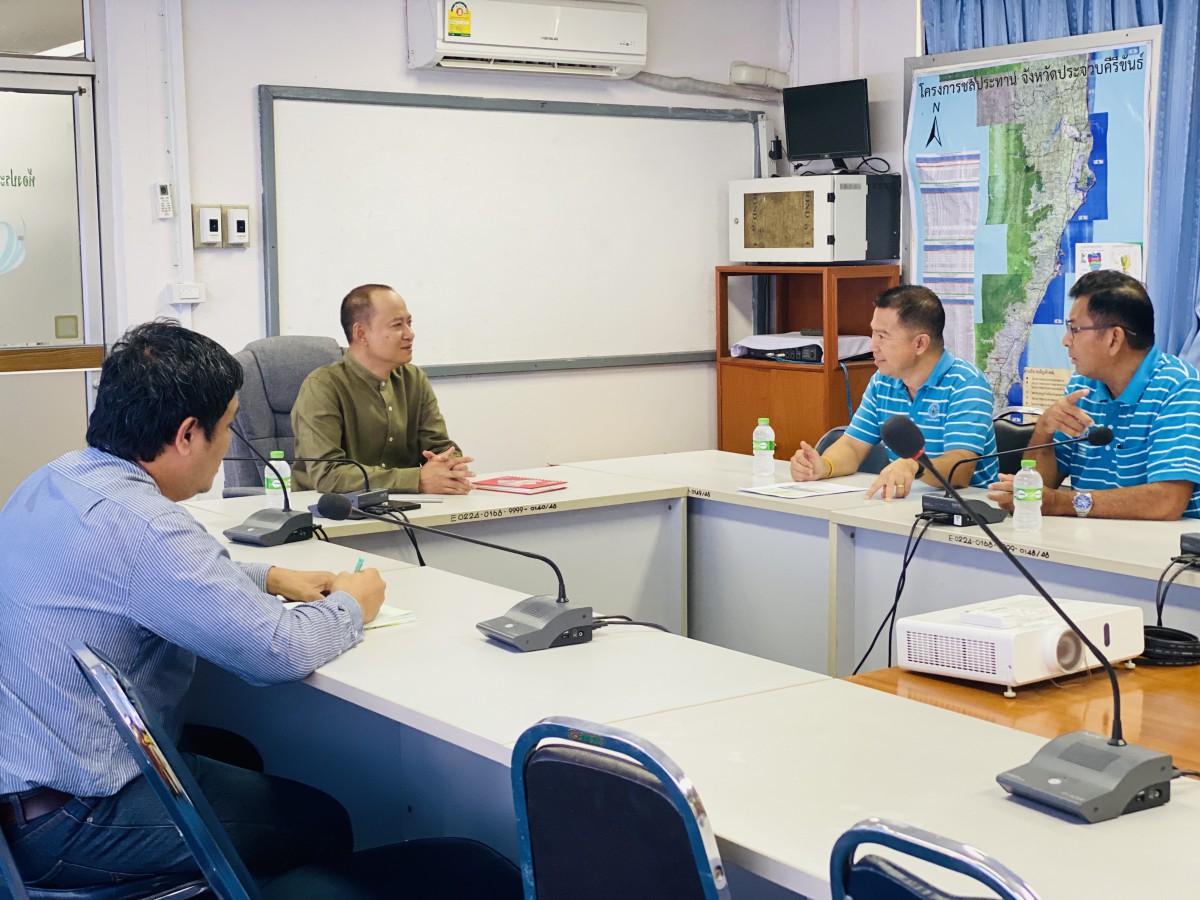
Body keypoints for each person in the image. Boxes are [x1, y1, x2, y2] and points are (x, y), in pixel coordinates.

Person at [0, 321, 518, 897]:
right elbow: (275, 651)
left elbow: (138, 580)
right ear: (187, 434)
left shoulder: (56, 480)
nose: (228, 448)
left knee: (237, 753)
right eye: (227, 429)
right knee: (320, 822)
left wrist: (267, 574)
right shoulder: (146, 525)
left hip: (23, 795)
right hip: (75, 821)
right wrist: (353, 603)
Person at [988, 269, 1200, 520]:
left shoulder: (1179, 387)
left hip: (1162, 551)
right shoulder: (1083, 385)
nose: (1066, 341)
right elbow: (1043, 487)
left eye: (1075, 329)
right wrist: (1043, 430)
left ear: (1114, 338)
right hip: (1090, 541)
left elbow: (1167, 501)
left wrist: (1061, 503)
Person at [790, 284, 998, 498]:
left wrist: (915, 466)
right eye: (873, 333)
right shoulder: (883, 382)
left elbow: (961, 468)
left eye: (883, 336)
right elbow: (852, 446)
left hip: (969, 511)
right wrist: (824, 466)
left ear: (919, 344)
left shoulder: (966, 384)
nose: (873, 346)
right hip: (905, 505)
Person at [292, 284, 475, 494]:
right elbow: (327, 475)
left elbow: (439, 446)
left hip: (405, 508)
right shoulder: (322, 386)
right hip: (330, 514)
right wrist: (415, 480)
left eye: (409, 323)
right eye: (397, 325)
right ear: (361, 333)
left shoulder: (413, 379)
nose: (410, 334)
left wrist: (448, 466)